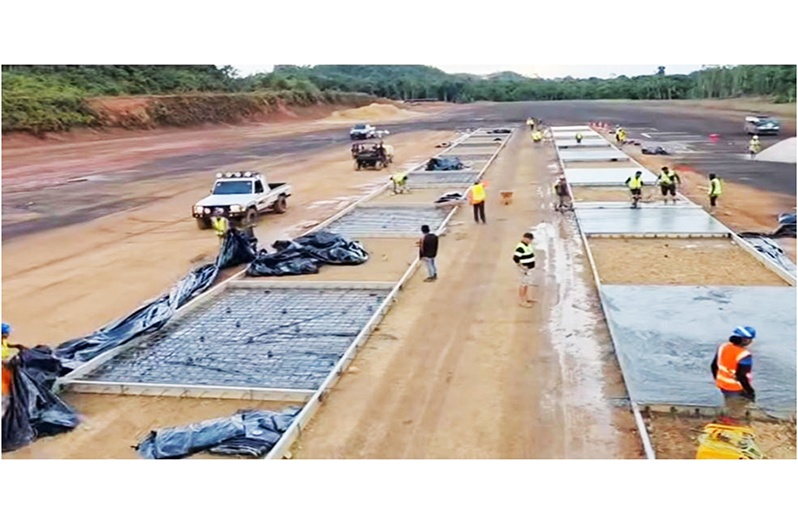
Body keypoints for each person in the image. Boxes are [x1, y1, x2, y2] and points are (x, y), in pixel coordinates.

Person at [711, 326, 757, 420]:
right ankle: (728, 425)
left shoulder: (723, 347)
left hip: (722, 384)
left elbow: (713, 366)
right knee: (735, 411)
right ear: (745, 340)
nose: (751, 342)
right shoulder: (744, 355)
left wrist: (718, 379)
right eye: (750, 339)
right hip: (736, 388)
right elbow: (741, 376)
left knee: (729, 404)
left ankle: (724, 419)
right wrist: (750, 391)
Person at [2, 323, 27, 416]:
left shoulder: (3, 341)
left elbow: (6, 345)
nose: (8, 335)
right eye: (6, 333)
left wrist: (16, 346)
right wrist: (6, 362)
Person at [514, 232, 536, 307]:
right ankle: (522, 301)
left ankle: (526, 298)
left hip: (528, 268)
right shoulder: (521, 247)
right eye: (528, 239)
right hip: (524, 268)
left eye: (530, 239)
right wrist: (522, 266)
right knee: (523, 284)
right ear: (524, 238)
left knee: (526, 283)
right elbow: (515, 258)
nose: (529, 241)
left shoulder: (528, 245)